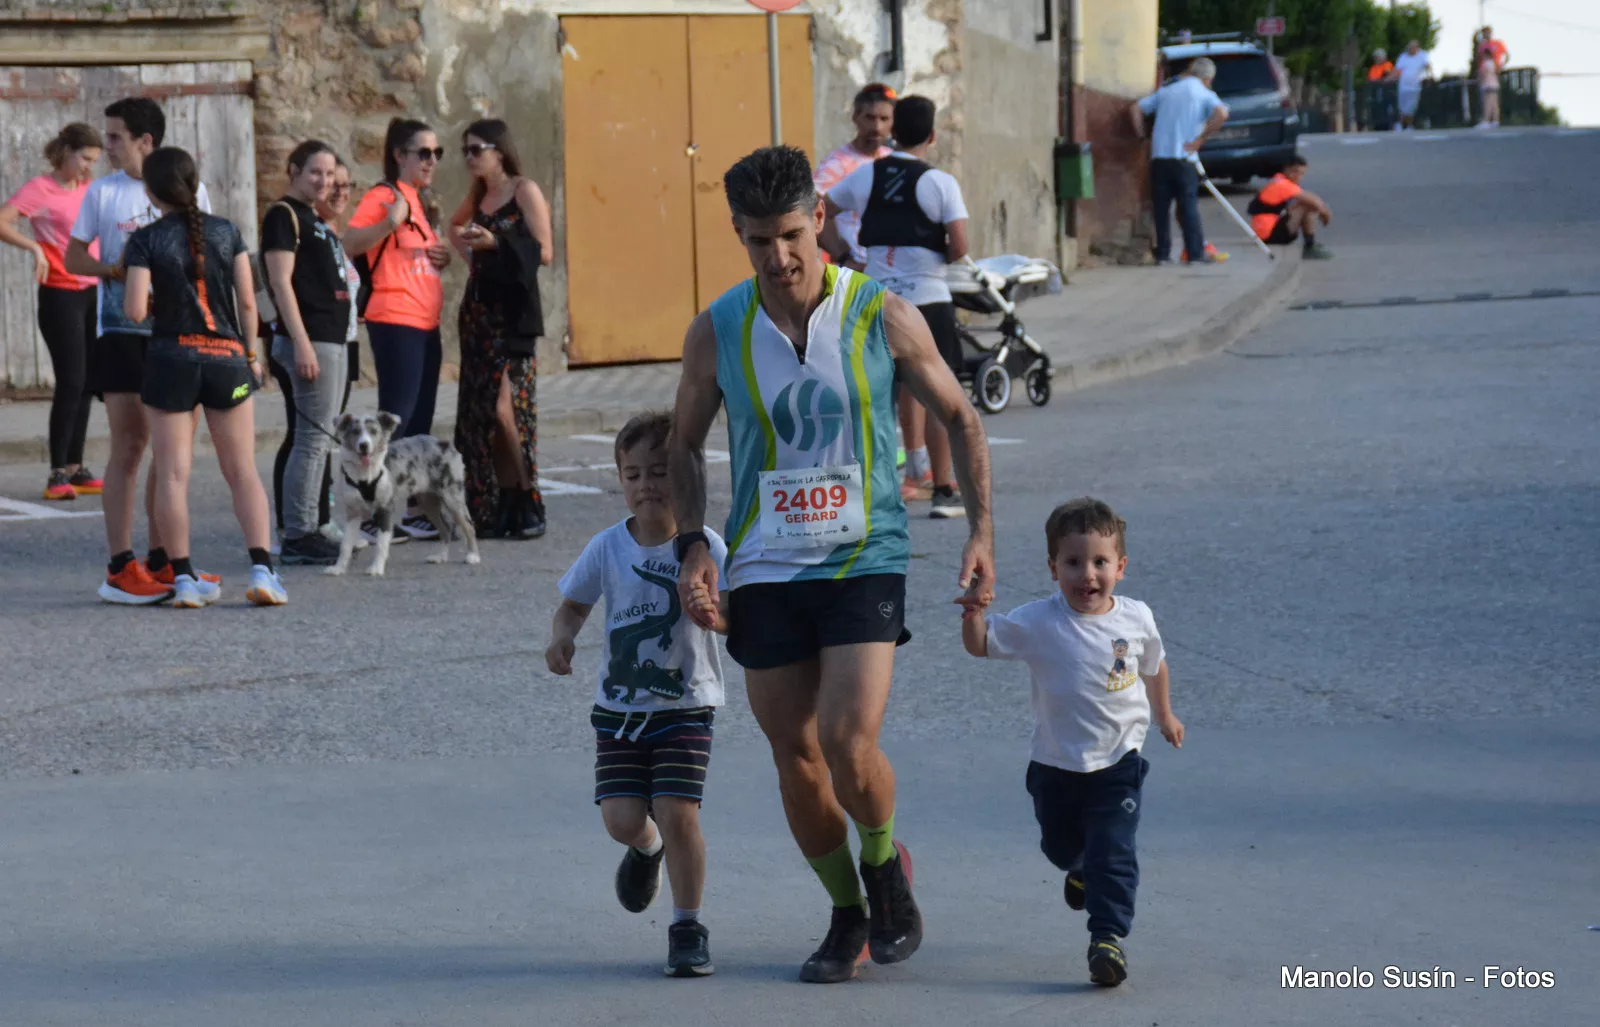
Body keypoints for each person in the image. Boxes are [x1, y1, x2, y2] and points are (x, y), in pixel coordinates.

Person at [669, 145, 995, 984]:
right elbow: (681, 444)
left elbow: (960, 416)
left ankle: (886, 868)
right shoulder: (717, 329)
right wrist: (694, 543)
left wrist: (981, 533)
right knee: (796, 754)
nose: (777, 257)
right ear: (737, 236)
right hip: (766, 565)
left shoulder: (881, 313)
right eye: (755, 240)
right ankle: (847, 907)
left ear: (820, 218)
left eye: (788, 234)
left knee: (850, 740)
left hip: (864, 552)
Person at [960, 498, 1183, 987]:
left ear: (1120, 568)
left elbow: (1155, 664)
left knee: (1114, 851)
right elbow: (981, 646)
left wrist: (1163, 714)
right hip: (1056, 764)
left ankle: (1106, 937)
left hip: (1120, 760)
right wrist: (974, 612)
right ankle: (1077, 868)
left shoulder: (1136, 618)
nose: (1088, 574)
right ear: (1052, 568)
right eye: (1074, 562)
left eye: (1100, 562)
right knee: (1061, 848)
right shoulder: (1038, 621)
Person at [545, 411, 725, 978]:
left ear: (686, 478)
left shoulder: (705, 548)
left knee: (678, 811)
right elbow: (573, 603)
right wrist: (562, 636)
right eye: (633, 474)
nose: (647, 484)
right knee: (623, 819)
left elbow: (736, 614)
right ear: (620, 481)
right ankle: (646, 849)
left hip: (685, 704)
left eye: (660, 471)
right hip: (619, 711)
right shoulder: (606, 548)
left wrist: (717, 619)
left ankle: (687, 927)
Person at [121, 147, 286, 608]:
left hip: (171, 359)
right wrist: (252, 355)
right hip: (227, 358)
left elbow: (134, 310)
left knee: (173, 474)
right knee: (242, 471)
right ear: (195, 185)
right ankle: (263, 571)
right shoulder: (227, 231)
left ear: (150, 193)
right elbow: (249, 304)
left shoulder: (144, 239)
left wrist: (156, 303)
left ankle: (185, 578)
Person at [65, 97, 214, 604]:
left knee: (171, 453)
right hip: (121, 334)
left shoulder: (187, 187)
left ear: (145, 142)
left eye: (114, 137)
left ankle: (164, 560)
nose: (105, 145)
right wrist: (117, 271)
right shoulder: (102, 193)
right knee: (130, 447)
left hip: (177, 335)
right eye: (106, 137)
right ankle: (120, 565)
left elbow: (207, 250)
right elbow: (73, 257)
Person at [822, 95, 970, 518]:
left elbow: (821, 211)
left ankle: (879, 490)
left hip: (876, 299)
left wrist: (844, 253)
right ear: (932, 135)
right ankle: (943, 488)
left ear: (892, 130)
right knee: (940, 393)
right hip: (928, 299)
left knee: (876, 396)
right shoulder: (940, 183)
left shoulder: (865, 176)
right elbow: (959, 246)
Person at [345, 117, 452, 541]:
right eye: (422, 153)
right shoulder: (385, 196)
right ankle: (375, 513)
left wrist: (436, 258)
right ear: (400, 156)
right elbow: (351, 243)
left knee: (420, 422)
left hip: (426, 323)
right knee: (398, 420)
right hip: (396, 320)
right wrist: (390, 221)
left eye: (436, 153)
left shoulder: (418, 201)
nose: (431, 161)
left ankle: (405, 506)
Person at [447, 118, 551, 540]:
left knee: (506, 411)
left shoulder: (523, 189)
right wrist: (470, 258)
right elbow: (453, 228)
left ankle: (527, 498)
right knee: (480, 415)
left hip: (513, 316)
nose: (470, 158)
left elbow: (544, 251)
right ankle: (496, 505)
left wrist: (495, 245)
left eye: (477, 149)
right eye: (466, 151)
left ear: (499, 150)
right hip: (478, 316)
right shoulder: (477, 196)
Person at [0, 122, 104, 502]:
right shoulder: (39, 190)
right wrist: (35, 248)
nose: (88, 167)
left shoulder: (90, 190)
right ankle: (57, 471)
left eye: (95, 161)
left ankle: (76, 468)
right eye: (85, 159)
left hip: (93, 292)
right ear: (66, 152)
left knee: (89, 381)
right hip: (60, 295)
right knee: (71, 379)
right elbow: (2, 220)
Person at [262, 140, 351, 566]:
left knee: (320, 438)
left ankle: (311, 526)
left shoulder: (314, 217)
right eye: (315, 172)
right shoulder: (284, 215)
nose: (324, 180)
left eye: (329, 173)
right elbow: (280, 283)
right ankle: (299, 533)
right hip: (310, 340)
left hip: (329, 338)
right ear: (294, 170)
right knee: (312, 438)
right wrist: (299, 343)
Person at [1129, 57, 1228, 267]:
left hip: (1159, 158)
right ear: (1208, 78)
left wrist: (1141, 137)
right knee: (1188, 206)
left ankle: (1163, 254)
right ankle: (1194, 253)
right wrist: (1201, 139)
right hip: (1185, 159)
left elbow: (1135, 109)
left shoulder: (1167, 91)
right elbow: (1222, 114)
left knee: (1161, 208)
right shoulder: (1203, 93)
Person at [812, 83, 896, 270]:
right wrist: (843, 257)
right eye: (869, 117)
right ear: (855, 118)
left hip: (893, 269)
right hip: (857, 271)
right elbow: (811, 213)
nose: (877, 126)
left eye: (884, 119)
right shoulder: (837, 164)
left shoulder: (893, 160)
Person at [1249, 155, 1332, 259]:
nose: (1298, 176)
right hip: (1270, 235)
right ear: (1286, 170)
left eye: (1302, 173)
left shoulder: (1277, 180)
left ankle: (1310, 244)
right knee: (1307, 206)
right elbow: (1314, 202)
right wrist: (1326, 214)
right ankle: (1310, 246)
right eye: (1295, 171)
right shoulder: (1283, 185)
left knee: (1300, 203)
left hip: (1264, 233)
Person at [1388, 41, 1433, 131]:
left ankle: (1408, 125)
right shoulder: (1403, 57)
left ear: (1417, 48)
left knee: (1411, 108)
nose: (1410, 49)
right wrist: (1389, 79)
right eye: (1409, 48)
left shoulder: (1422, 55)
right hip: (1403, 86)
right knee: (1402, 107)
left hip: (1415, 86)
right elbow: (1397, 70)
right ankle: (1400, 125)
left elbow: (1427, 66)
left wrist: (1430, 75)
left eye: (1413, 47)